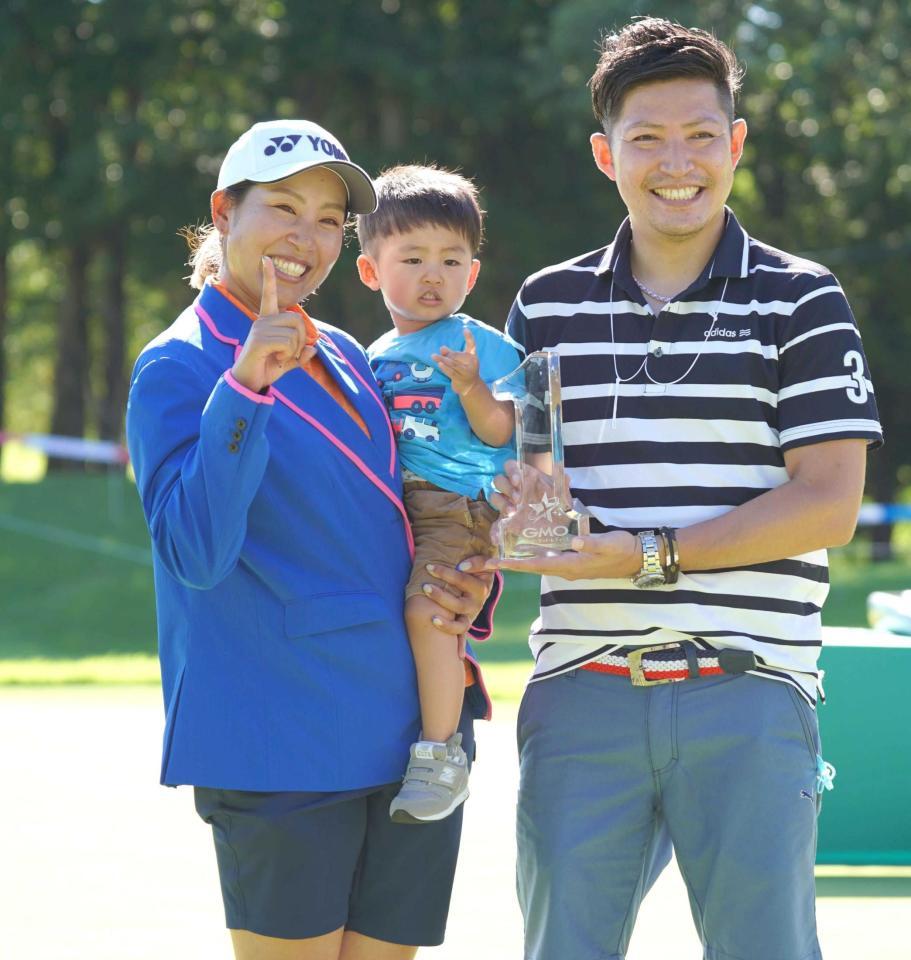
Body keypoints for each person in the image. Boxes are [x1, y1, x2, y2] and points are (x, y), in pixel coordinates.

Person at [490, 18, 883, 960]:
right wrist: (502, 530)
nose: (678, 162)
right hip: (581, 691)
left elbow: (828, 501)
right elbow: (527, 483)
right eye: (647, 138)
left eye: (702, 135)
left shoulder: (802, 298)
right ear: (604, 154)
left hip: (748, 688)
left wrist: (647, 556)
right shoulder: (545, 305)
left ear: (736, 144)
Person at [125, 119, 497, 960]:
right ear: (224, 213)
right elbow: (194, 551)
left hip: (408, 733)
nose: (307, 237)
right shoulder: (178, 366)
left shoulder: (346, 349)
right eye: (284, 208)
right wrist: (245, 386)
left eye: (329, 219)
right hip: (279, 736)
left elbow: (397, 510)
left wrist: (464, 581)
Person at [355, 165, 517, 823]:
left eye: (451, 260)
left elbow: (505, 429)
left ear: (471, 274)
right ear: (371, 271)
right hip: (395, 509)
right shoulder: (374, 352)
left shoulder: (482, 344)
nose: (433, 275)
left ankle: (440, 752)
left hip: (456, 503)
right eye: (413, 257)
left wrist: (473, 385)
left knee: (432, 615)